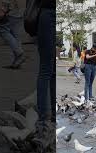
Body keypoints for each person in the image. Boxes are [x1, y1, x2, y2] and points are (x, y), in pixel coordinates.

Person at [34, 0, 54, 138]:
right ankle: (43, 120)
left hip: (48, 15)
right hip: (48, 15)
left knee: (50, 71)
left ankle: (50, 118)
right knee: (46, 71)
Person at [0, 0, 26, 69]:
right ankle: (17, 61)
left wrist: (4, 8)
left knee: (2, 30)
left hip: (12, 11)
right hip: (21, 11)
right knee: (15, 34)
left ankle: (19, 53)